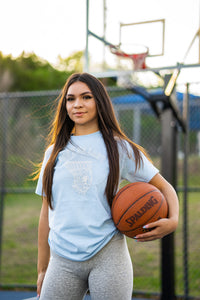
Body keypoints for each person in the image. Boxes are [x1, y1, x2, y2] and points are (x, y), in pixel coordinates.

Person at [35, 72, 179, 300]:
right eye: (70, 99)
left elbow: (164, 187)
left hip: (107, 254)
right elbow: (46, 211)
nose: (77, 104)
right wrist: (43, 269)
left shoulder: (120, 148)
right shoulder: (53, 153)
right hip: (62, 259)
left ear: (99, 101)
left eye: (86, 97)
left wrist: (173, 221)